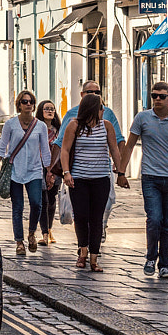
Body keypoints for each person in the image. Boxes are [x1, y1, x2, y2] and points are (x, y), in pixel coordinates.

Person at [117, 80, 168, 280]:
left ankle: (165, 265)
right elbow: (129, 146)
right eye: (154, 96)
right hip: (150, 177)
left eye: (162, 96)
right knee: (154, 219)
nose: (157, 100)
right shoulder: (142, 118)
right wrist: (121, 172)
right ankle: (150, 258)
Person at [59, 92, 129, 272]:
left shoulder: (106, 126)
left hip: (101, 179)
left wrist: (120, 172)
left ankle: (94, 258)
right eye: (100, 107)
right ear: (91, 109)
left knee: (97, 219)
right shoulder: (74, 125)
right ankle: (82, 251)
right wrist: (66, 172)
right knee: (81, 216)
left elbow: (114, 149)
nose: (103, 110)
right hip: (79, 179)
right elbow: (65, 150)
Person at [0, 90, 51, 257]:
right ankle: (19, 242)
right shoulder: (11, 124)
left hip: (34, 171)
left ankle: (31, 233)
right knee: (17, 207)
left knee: (36, 204)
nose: (28, 104)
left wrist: (49, 171)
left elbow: (45, 151)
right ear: (19, 104)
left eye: (31, 101)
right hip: (15, 170)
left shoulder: (40, 126)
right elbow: (2, 147)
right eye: (25, 101)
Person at [35, 99, 61, 245]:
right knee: (42, 201)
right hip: (38, 167)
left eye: (52, 109)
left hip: (55, 168)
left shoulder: (59, 130)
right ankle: (44, 233)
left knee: (51, 201)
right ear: (41, 111)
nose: (50, 111)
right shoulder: (37, 128)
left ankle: (49, 229)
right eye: (46, 109)